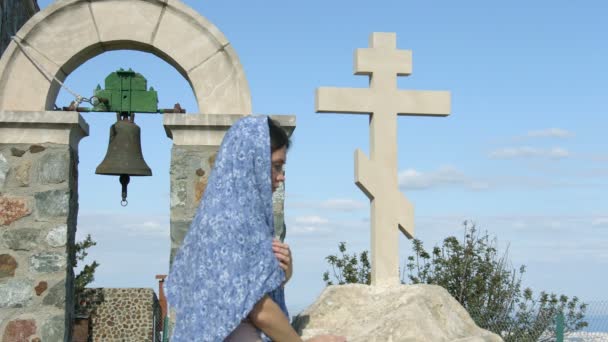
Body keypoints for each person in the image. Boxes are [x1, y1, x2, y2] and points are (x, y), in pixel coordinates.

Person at [165, 116, 346, 342]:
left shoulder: (223, 214)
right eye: (276, 166)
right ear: (252, 162)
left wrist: (283, 273)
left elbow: (237, 288)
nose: (281, 177)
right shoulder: (232, 221)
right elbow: (258, 309)